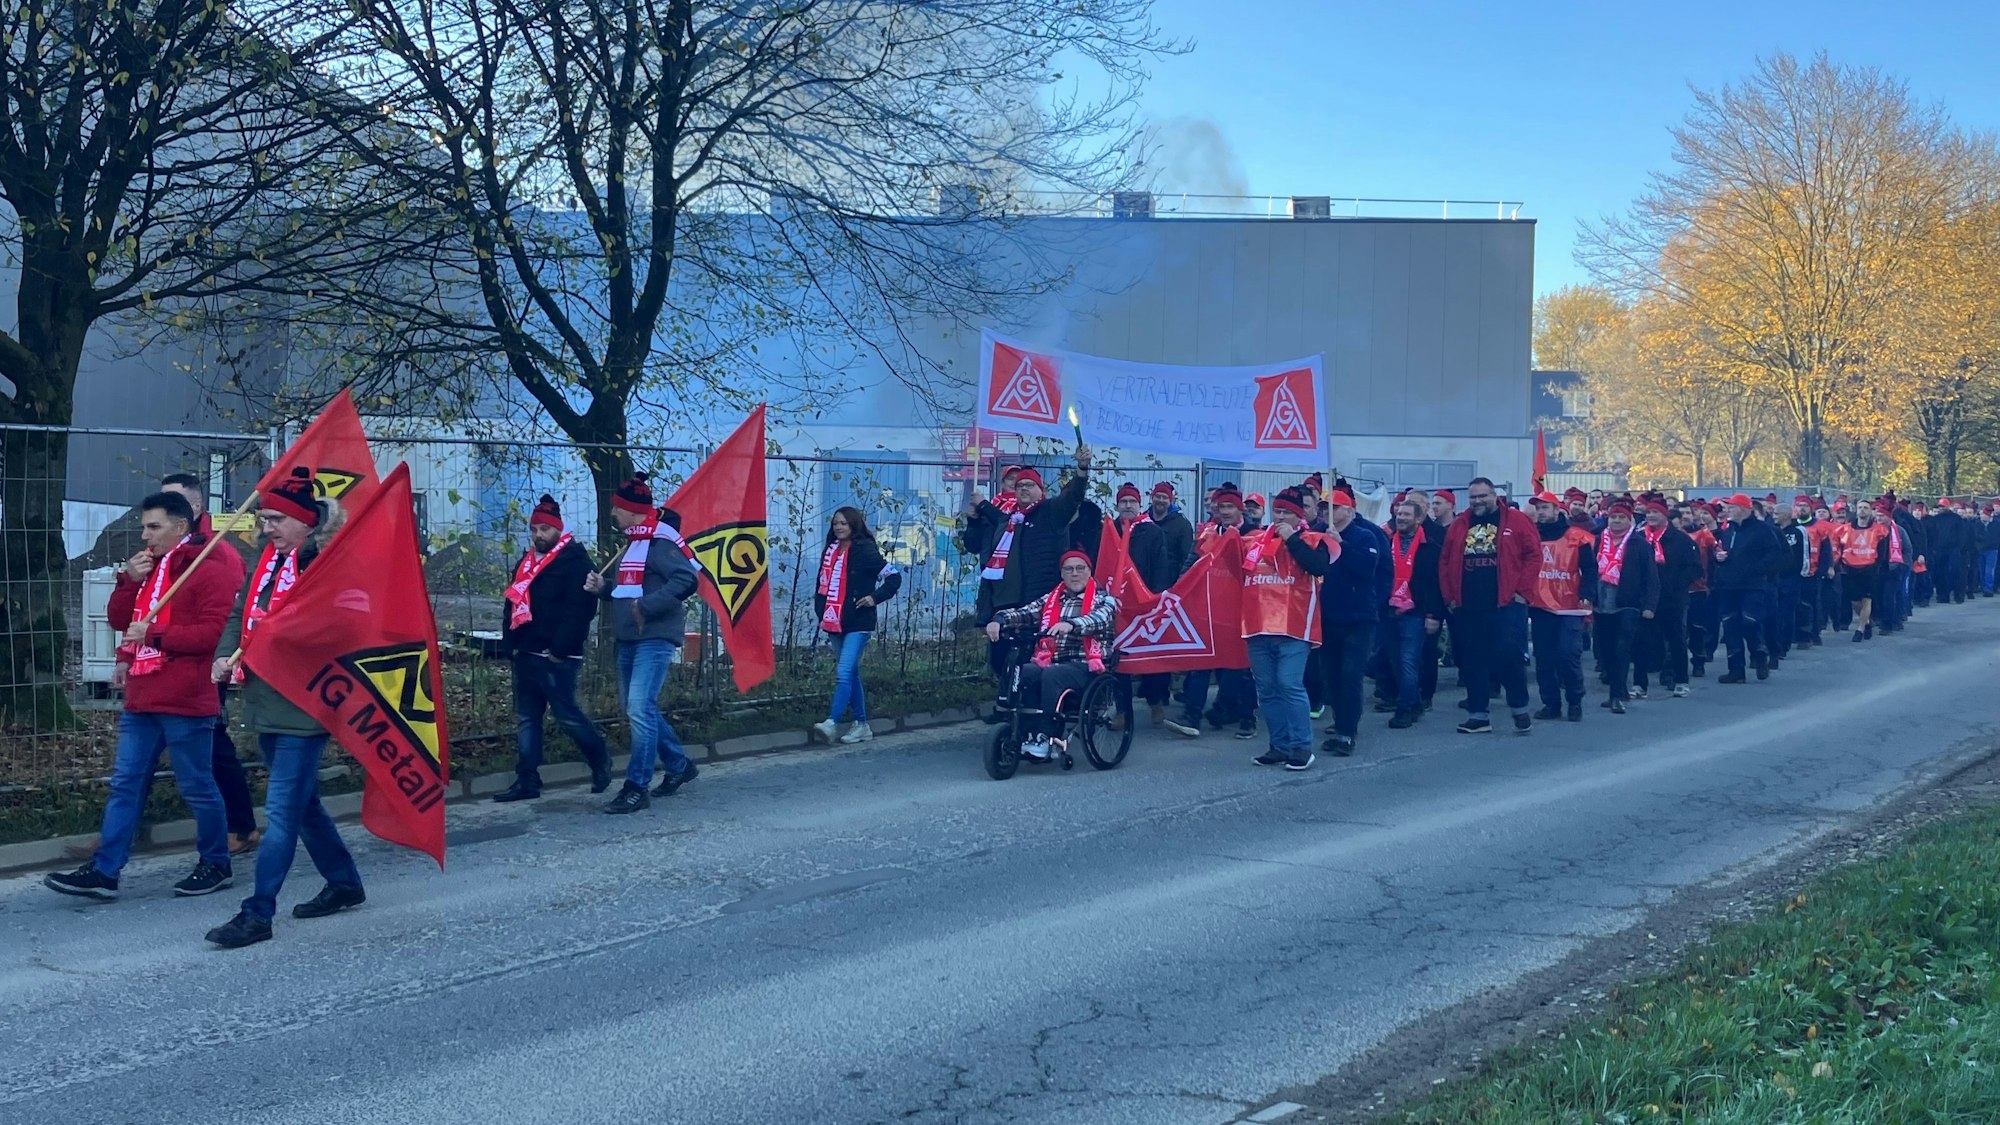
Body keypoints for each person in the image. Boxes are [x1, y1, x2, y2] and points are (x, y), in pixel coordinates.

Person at [45, 492, 240, 903]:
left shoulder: (211, 564)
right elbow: (122, 619)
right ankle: (104, 870)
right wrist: (128, 581)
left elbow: (210, 635)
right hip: (144, 692)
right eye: (143, 527)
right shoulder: (153, 564)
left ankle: (216, 861)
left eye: (154, 527)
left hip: (186, 697)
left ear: (181, 527)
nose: (145, 535)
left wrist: (152, 635)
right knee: (126, 784)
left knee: (197, 785)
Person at [203, 468, 363, 949]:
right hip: (266, 699)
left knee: (282, 812)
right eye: (264, 519)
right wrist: (223, 655)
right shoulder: (268, 561)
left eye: (274, 519)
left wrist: (279, 634)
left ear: (305, 524)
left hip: (307, 703)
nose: (265, 527)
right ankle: (345, 882)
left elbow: (344, 627)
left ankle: (258, 913)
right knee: (303, 803)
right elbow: (240, 614)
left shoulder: (328, 566)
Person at [584, 474, 702, 814]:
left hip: (654, 637)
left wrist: (647, 608)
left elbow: (686, 579)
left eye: (616, 509)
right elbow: (627, 591)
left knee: (638, 707)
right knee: (639, 707)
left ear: (630, 510)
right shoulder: (634, 542)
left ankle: (637, 787)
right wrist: (603, 587)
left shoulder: (660, 542)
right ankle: (679, 765)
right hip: (629, 638)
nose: (613, 515)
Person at [490, 495, 613, 802]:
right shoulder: (528, 562)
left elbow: (582, 609)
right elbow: (513, 602)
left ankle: (600, 760)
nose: (538, 535)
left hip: (557, 656)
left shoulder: (576, 562)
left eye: (544, 529)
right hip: (527, 653)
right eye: (534, 529)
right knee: (527, 719)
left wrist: (560, 649)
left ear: (558, 530)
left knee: (567, 715)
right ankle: (527, 780)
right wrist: (511, 645)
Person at [972, 449, 1093, 690]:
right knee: (1001, 658)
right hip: (1006, 602)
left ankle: (1030, 709)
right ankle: (1008, 706)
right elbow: (987, 529)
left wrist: (1081, 470)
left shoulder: (1051, 512)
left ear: (1041, 490)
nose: (1023, 489)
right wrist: (979, 508)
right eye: (1019, 486)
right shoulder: (1010, 519)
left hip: (1039, 601)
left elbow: (1073, 497)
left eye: (1029, 485)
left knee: (1032, 661)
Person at [984, 550, 1120, 760]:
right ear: (1062, 574)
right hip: (1051, 661)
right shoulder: (1053, 598)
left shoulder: (1104, 600)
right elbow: (1026, 612)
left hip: (1086, 664)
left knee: (1052, 675)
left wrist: (1071, 625)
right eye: (1068, 569)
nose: (1074, 574)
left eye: (1080, 568)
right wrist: (999, 620)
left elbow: (1098, 620)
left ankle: (1047, 734)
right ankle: (1024, 731)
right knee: (1022, 672)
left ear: (1089, 572)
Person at [1237, 490, 1330, 769]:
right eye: (1276, 511)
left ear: (1299, 515)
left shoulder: (1313, 539)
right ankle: (1278, 746)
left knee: (1289, 684)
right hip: (1258, 626)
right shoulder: (1255, 540)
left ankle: (1302, 747)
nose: (1279, 517)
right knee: (1267, 689)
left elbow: (1318, 566)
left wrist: (1291, 538)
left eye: (1286, 512)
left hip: (1294, 628)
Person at [1439, 478, 1538, 735]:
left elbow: (1533, 555)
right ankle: (1479, 715)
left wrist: (1522, 592)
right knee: (1472, 661)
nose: (1477, 501)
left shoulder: (1515, 521)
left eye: (1482, 496)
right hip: (1469, 606)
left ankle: (1519, 708)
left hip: (1506, 603)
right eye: (1472, 497)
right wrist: (1450, 596)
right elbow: (1446, 560)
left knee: (1509, 656)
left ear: (1494, 495)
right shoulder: (1460, 524)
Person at [1166, 483, 1257, 739]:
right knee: (1199, 662)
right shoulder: (1208, 532)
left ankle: (1247, 718)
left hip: (1239, 611)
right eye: (1221, 507)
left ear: (1240, 509)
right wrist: (1177, 590)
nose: (1225, 511)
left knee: (1240, 667)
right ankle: (1192, 715)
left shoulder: (1254, 534)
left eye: (1230, 507)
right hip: (1208, 609)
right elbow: (1191, 563)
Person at [812, 506, 902, 746]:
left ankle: (831, 722)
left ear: (854, 525)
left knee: (843, 672)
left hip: (858, 622)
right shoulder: (830, 551)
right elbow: (822, 583)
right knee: (850, 673)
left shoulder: (865, 550)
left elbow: (894, 577)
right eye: (835, 524)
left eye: (843, 523)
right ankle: (862, 725)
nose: (839, 527)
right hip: (834, 621)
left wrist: (874, 597)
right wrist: (820, 609)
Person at [1318, 488, 1383, 756]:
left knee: (1350, 676)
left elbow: (1366, 568)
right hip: (1328, 616)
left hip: (1358, 618)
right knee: (1332, 677)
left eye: (1333, 507)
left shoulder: (1364, 535)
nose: (1327, 512)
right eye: (1324, 508)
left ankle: (1348, 733)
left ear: (1349, 511)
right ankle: (1339, 722)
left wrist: (1341, 545)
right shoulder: (1317, 534)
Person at [1526, 492, 1595, 722]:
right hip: (1539, 606)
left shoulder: (1577, 537)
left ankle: (1574, 700)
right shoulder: (1531, 536)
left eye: (1545, 508)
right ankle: (1551, 703)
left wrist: (1587, 595)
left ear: (1557, 510)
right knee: (1544, 659)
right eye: (1538, 508)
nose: (1540, 512)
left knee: (1568, 655)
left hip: (1569, 607)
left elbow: (1590, 571)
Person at [1131, 481, 1193, 725]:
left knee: (1157, 646)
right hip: (1135, 592)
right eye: (1157, 496)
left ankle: (1158, 696)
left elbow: (1186, 557)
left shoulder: (1181, 525)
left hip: (1165, 594)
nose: (1160, 501)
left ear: (1171, 500)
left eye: (1164, 497)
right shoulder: (1140, 523)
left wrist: (1177, 589)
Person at [1379, 497, 1445, 728]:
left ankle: (1405, 708)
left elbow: (1437, 584)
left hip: (1416, 613)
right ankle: (1414, 702)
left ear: (1419, 519)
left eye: (1407, 514)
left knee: (1408, 661)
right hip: (1389, 611)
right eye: (1399, 514)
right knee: (1396, 661)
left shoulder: (1431, 547)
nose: (1401, 518)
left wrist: (1433, 615)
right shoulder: (1385, 542)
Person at [1591, 502, 1657, 714]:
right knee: (1606, 651)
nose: (1616, 521)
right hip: (1601, 604)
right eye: (1613, 517)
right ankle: (1618, 689)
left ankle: (1616, 696)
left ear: (1630, 521)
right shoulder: (1598, 540)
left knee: (1622, 649)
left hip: (1628, 604)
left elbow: (1651, 577)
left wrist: (1649, 605)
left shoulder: (1639, 543)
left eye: (1621, 518)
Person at [1710, 493, 1778, 684]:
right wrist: (1719, 558)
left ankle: (1759, 653)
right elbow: (1721, 552)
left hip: (1753, 585)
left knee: (1749, 622)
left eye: (1732, 507)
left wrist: (1757, 570)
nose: (1728, 510)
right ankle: (1736, 670)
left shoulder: (1762, 529)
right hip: (1729, 585)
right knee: (1730, 625)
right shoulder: (1728, 530)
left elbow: (1774, 554)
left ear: (1745, 509)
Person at [1633, 500, 1697, 699]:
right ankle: (1639, 684)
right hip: (1646, 599)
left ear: (1664, 515)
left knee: (1676, 640)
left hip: (1672, 599)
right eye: (1648, 512)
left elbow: (1695, 568)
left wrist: (1677, 585)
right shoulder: (1639, 538)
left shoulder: (1680, 539)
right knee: (1641, 641)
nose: (1650, 516)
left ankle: (1681, 680)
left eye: (1655, 512)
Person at [1836, 503, 1890, 640]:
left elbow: (1882, 551)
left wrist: (1877, 567)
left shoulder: (1879, 530)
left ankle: (1859, 630)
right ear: (1856, 510)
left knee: (1867, 600)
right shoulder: (1846, 529)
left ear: (1871, 511)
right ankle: (1866, 622)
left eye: (1866, 508)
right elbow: (1839, 547)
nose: (1862, 510)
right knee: (1854, 600)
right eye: (1860, 507)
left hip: (1869, 569)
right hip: (1850, 568)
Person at [1770, 501, 1813, 666]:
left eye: (1776, 514)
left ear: (1787, 515)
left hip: (1792, 578)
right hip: (1776, 578)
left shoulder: (1798, 531)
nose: (1774, 516)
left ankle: (1783, 645)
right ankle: (1774, 643)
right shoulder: (1774, 531)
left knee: (1787, 613)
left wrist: (1801, 574)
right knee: (1774, 613)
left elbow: (1804, 554)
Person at [1981, 505, 2000, 596]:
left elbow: (1996, 537)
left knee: (1989, 570)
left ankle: (1988, 588)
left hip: (1992, 550)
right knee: (1981, 569)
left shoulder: (1996, 524)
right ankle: (1983, 585)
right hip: (1980, 550)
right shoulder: (1978, 523)